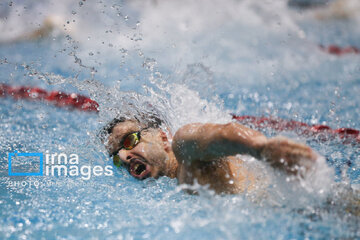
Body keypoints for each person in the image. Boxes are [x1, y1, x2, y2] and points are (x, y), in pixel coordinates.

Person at [101, 112, 319, 194]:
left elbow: (222, 134)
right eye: (116, 157)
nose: (123, 157)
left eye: (129, 141)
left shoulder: (187, 152)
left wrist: (262, 148)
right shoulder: (175, 185)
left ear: (162, 137)